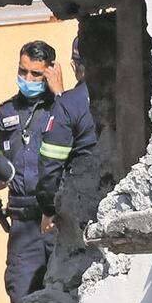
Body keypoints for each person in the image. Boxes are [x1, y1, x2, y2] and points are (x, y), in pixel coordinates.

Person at [0, 40, 60, 303]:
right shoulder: (5, 112)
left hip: (56, 220)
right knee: (22, 301)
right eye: (22, 71)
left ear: (50, 71)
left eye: (35, 74)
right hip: (23, 223)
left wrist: (60, 93)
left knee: (66, 297)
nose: (27, 79)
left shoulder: (61, 107)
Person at [36, 36, 99, 227]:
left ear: (74, 66)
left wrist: (48, 210)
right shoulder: (130, 94)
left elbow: (50, 166)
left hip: (83, 205)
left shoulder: (68, 104)